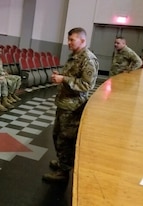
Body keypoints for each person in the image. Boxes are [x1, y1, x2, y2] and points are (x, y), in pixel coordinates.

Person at [43, 27, 99, 182]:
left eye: (72, 40)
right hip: (64, 103)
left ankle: (63, 172)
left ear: (82, 40)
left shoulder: (88, 59)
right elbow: (71, 77)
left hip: (73, 107)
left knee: (66, 139)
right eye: (68, 39)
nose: (68, 42)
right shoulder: (74, 56)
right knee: (57, 136)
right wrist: (60, 77)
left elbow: (86, 85)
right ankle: (63, 162)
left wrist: (64, 79)